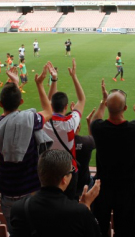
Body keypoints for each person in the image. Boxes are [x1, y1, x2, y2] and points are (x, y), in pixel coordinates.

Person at [0, 64, 53, 233]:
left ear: (0, 103)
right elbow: (48, 110)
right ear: (22, 102)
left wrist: (14, 83)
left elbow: (9, 119)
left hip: (8, 192)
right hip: (31, 192)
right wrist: (39, 85)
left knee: (15, 231)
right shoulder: (31, 121)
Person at [90, 80, 135, 237]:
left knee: (99, 230)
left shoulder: (98, 128)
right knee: (125, 231)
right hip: (126, 189)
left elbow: (94, 121)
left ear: (108, 107)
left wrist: (103, 101)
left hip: (102, 187)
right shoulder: (134, 129)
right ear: (125, 108)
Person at [10, 149, 101, 237]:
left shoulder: (18, 208)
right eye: (71, 171)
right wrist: (86, 205)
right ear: (64, 179)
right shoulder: (80, 212)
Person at [44, 59, 85, 200]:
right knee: (68, 202)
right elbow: (81, 100)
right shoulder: (70, 122)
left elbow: (47, 105)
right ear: (66, 107)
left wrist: (54, 79)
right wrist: (74, 76)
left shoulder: (44, 122)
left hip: (48, 170)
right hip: (68, 172)